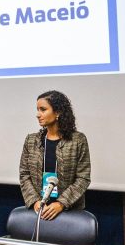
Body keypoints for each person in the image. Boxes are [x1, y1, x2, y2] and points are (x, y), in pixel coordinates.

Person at [19, 91, 92, 221]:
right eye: (37, 110)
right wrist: (35, 201)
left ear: (58, 112)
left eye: (43, 109)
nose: (38, 114)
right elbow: (24, 174)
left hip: (69, 212)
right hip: (39, 210)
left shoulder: (78, 140)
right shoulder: (31, 140)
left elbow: (83, 177)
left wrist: (61, 204)